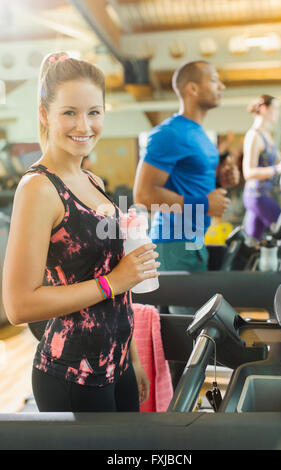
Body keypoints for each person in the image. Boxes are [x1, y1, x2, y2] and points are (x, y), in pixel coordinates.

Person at [2, 52, 160, 412]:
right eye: (69, 112)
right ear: (45, 114)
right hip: (72, 373)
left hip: (116, 362)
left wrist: (131, 357)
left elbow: (116, 282)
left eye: (94, 112)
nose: (84, 125)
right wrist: (114, 282)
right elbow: (18, 305)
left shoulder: (93, 180)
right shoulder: (38, 188)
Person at [133, 60, 240, 285]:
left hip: (194, 240)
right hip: (174, 243)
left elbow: (188, 182)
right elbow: (143, 196)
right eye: (213, 80)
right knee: (191, 320)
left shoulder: (201, 135)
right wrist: (203, 203)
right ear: (192, 88)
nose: (221, 86)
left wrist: (221, 180)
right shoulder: (170, 133)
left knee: (195, 317)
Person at [242, 94, 281, 241]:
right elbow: (248, 172)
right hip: (257, 195)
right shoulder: (253, 135)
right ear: (263, 109)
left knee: (253, 242)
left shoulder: (267, 135)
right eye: (275, 109)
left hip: (265, 195)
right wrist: (278, 169)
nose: (277, 113)